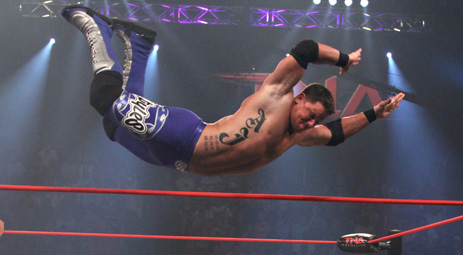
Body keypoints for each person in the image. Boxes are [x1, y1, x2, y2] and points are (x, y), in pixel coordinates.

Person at [62, 6, 404, 176]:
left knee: (113, 128)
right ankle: (96, 28)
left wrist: (375, 113)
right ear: (301, 98)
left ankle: (139, 44)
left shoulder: (298, 135)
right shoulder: (278, 95)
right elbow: (306, 48)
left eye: (314, 121)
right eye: (310, 114)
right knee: (104, 99)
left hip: (179, 161)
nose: (308, 123)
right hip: (187, 135)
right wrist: (343, 58)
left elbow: (336, 134)